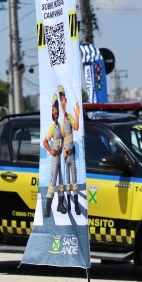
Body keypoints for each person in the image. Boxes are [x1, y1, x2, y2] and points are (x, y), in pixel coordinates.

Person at [59, 85, 81, 215]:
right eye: (60, 100)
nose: (62, 103)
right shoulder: (60, 121)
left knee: (74, 180)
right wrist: (63, 149)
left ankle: (76, 205)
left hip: (72, 154)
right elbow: (61, 138)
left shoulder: (69, 117)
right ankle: (69, 206)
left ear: (65, 101)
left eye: (63, 100)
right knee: (67, 181)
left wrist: (77, 115)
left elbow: (76, 127)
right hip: (65, 155)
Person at [42, 93, 66, 216]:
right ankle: (47, 208)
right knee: (52, 182)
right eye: (54, 112)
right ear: (52, 113)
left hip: (60, 157)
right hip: (55, 158)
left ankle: (60, 204)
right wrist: (51, 150)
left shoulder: (59, 126)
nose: (56, 114)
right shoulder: (52, 127)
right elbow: (45, 141)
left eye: (57, 112)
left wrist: (62, 147)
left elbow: (63, 137)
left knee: (61, 182)